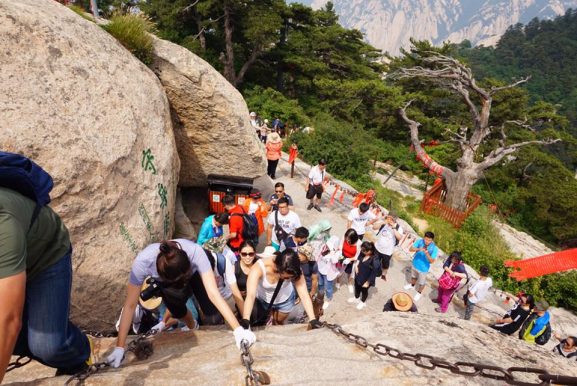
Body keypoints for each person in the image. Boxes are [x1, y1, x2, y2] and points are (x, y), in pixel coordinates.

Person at [106, 240, 255, 368]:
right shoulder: (142, 263)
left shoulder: (195, 252)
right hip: (169, 278)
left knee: (212, 314)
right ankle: (192, 324)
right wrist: (120, 346)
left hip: (194, 273)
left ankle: (197, 315)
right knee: (177, 310)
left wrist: (238, 330)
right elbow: (130, 305)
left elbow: (213, 293)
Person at [1, 187, 91, 380]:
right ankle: (39, 325)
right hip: (10, 265)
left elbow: (8, 321)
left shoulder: (4, 221)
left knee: (48, 346)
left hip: (46, 256)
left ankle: (79, 348)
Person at [242, 248, 320, 327]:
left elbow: (304, 294)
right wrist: (246, 319)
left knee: (278, 321)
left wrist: (312, 319)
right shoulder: (260, 267)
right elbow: (251, 295)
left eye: (290, 278)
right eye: (285, 277)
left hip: (285, 300)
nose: (287, 279)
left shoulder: (295, 269)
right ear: (278, 267)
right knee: (262, 320)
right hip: (263, 299)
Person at [404, 231, 439, 302]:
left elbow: (431, 261)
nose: (427, 241)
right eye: (426, 239)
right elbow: (410, 249)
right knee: (413, 277)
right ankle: (412, 285)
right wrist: (419, 249)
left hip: (423, 268)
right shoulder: (420, 241)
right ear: (424, 238)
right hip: (415, 263)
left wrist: (426, 253)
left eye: (429, 240)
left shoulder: (434, 248)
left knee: (422, 283)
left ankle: (419, 293)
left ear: (432, 240)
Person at [348, 241, 378, 310]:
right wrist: (356, 266)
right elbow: (358, 258)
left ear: (369, 251)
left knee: (364, 291)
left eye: (364, 251)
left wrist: (368, 282)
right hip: (359, 275)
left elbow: (374, 272)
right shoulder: (362, 253)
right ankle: (356, 298)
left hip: (366, 278)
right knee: (357, 287)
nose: (362, 251)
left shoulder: (374, 260)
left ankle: (362, 302)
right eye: (362, 250)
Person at [316, 235, 341, 311]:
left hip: (328, 273)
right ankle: (320, 295)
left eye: (329, 246)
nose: (327, 247)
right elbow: (317, 256)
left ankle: (328, 299)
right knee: (320, 284)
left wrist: (332, 253)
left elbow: (335, 261)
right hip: (320, 270)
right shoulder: (323, 248)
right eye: (327, 245)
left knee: (328, 287)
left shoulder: (337, 252)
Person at [373, 216, 397, 283]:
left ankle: (384, 274)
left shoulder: (397, 227)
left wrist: (394, 228)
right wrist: (383, 222)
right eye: (388, 218)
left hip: (387, 251)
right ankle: (374, 271)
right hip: (378, 247)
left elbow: (399, 237)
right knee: (375, 261)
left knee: (385, 265)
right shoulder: (383, 223)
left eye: (391, 219)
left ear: (394, 220)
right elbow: (374, 227)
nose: (389, 220)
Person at [339, 228, 361, 294]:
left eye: (349, 238)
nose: (347, 240)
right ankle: (338, 281)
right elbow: (340, 247)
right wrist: (341, 256)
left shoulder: (359, 243)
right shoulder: (344, 237)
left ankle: (349, 283)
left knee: (350, 273)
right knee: (339, 270)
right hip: (342, 256)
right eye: (346, 237)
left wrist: (349, 259)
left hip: (351, 259)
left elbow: (357, 256)